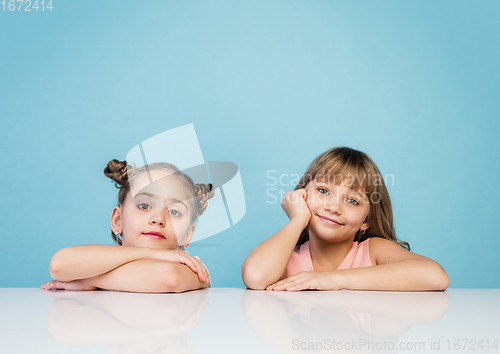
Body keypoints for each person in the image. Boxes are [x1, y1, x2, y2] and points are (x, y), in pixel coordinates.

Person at [242, 147, 449, 291]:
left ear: (366, 220)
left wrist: (332, 279)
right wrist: (298, 219)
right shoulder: (285, 259)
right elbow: (255, 276)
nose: (333, 207)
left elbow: (435, 276)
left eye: (352, 201)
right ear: (303, 195)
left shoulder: (373, 252)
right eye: (323, 190)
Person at [41, 159, 214, 293]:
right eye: (144, 206)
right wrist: (153, 253)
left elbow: (169, 278)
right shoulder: (101, 259)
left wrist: (88, 280)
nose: (158, 219)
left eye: (174, 212)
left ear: (188, 234)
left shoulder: (191, 265)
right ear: (117, 220)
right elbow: (58, 265)